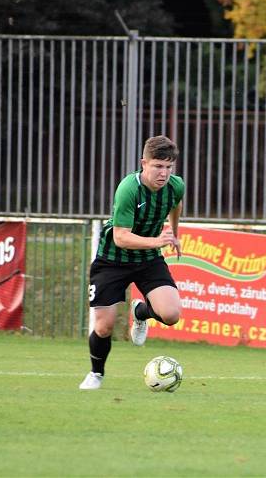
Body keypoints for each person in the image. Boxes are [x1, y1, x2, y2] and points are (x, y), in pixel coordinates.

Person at [79, 135, 184, 390]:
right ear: (143, 163)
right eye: (158, 166)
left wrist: (174, 233)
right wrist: (158, 241)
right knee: (104, 327)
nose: (164, 173)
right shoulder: (129, 189)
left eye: (169, 167)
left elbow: (176, 205)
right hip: (113, 259)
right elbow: (121, 237)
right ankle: (96, 374)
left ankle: (140, 312)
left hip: (148, 258)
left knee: (171, 315)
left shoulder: (175, 186)